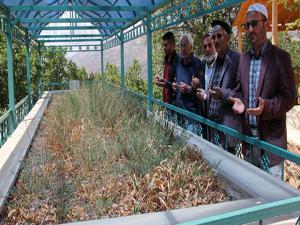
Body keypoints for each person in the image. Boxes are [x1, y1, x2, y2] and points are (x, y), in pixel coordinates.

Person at [229, 3, 296, 178]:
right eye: (246, 25)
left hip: (271, 144)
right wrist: (239, 102)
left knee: (273, 199)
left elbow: (290, 98)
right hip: (249, 143)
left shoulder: (281, 58)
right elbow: (238, 92)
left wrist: (265, 107)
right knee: (253, 192)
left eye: (254, 24)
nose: (250, 29)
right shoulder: (243, 60)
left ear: (266, 25)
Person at [195, 20, 241, 154]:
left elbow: (241, 93)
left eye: (219, 36)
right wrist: (205, 94)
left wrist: (223, 94)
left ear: (228, 38)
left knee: (229, 170)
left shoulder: (237, 60)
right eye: (213, 37)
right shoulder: (216, 62)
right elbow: (214, 91)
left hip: (227, 129)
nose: (215, 41)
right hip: (212, 127)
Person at [173, 34, 204, 133]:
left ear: (191, 46)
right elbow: (176, 83)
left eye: (185, 45)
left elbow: (202, 90)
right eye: (181, 46)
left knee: (190, 147)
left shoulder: (198, 64)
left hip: (192, 117)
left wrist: (189, 89)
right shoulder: (178, 64)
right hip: (179, 114)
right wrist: (174, 86)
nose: (182, 48)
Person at [191, 33, 217, 139]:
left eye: (210, 45)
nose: (207, 49)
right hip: (205, 119)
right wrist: (194, 87)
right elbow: (196, 90)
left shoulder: (221, 65)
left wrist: (207, 94)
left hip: (219, 122)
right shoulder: (200, 66)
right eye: (205, 46)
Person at [155, 32, 179, 114]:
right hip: (166, 103)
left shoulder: (178, 61)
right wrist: (162, 80)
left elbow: (178, 84)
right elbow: (168, 80)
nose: (164, 48)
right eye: (163, 45)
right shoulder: (166, 59)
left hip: (174, 105)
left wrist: (165, 83)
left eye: (166, 45)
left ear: (172, 44)